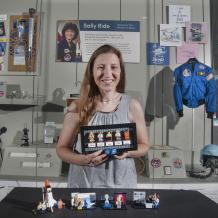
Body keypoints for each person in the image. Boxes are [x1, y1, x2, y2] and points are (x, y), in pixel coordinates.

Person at [56, 44, 150, 188]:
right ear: (92, 72)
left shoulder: (132, 105)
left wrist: (128, 152)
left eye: (113, 67)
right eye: (100, 67)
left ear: (120, 71)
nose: (107, 74)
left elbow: (144, 146)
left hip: (122, 186)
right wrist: (82, 159)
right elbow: (61, 149)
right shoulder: (77, 107)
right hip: (83, 186)